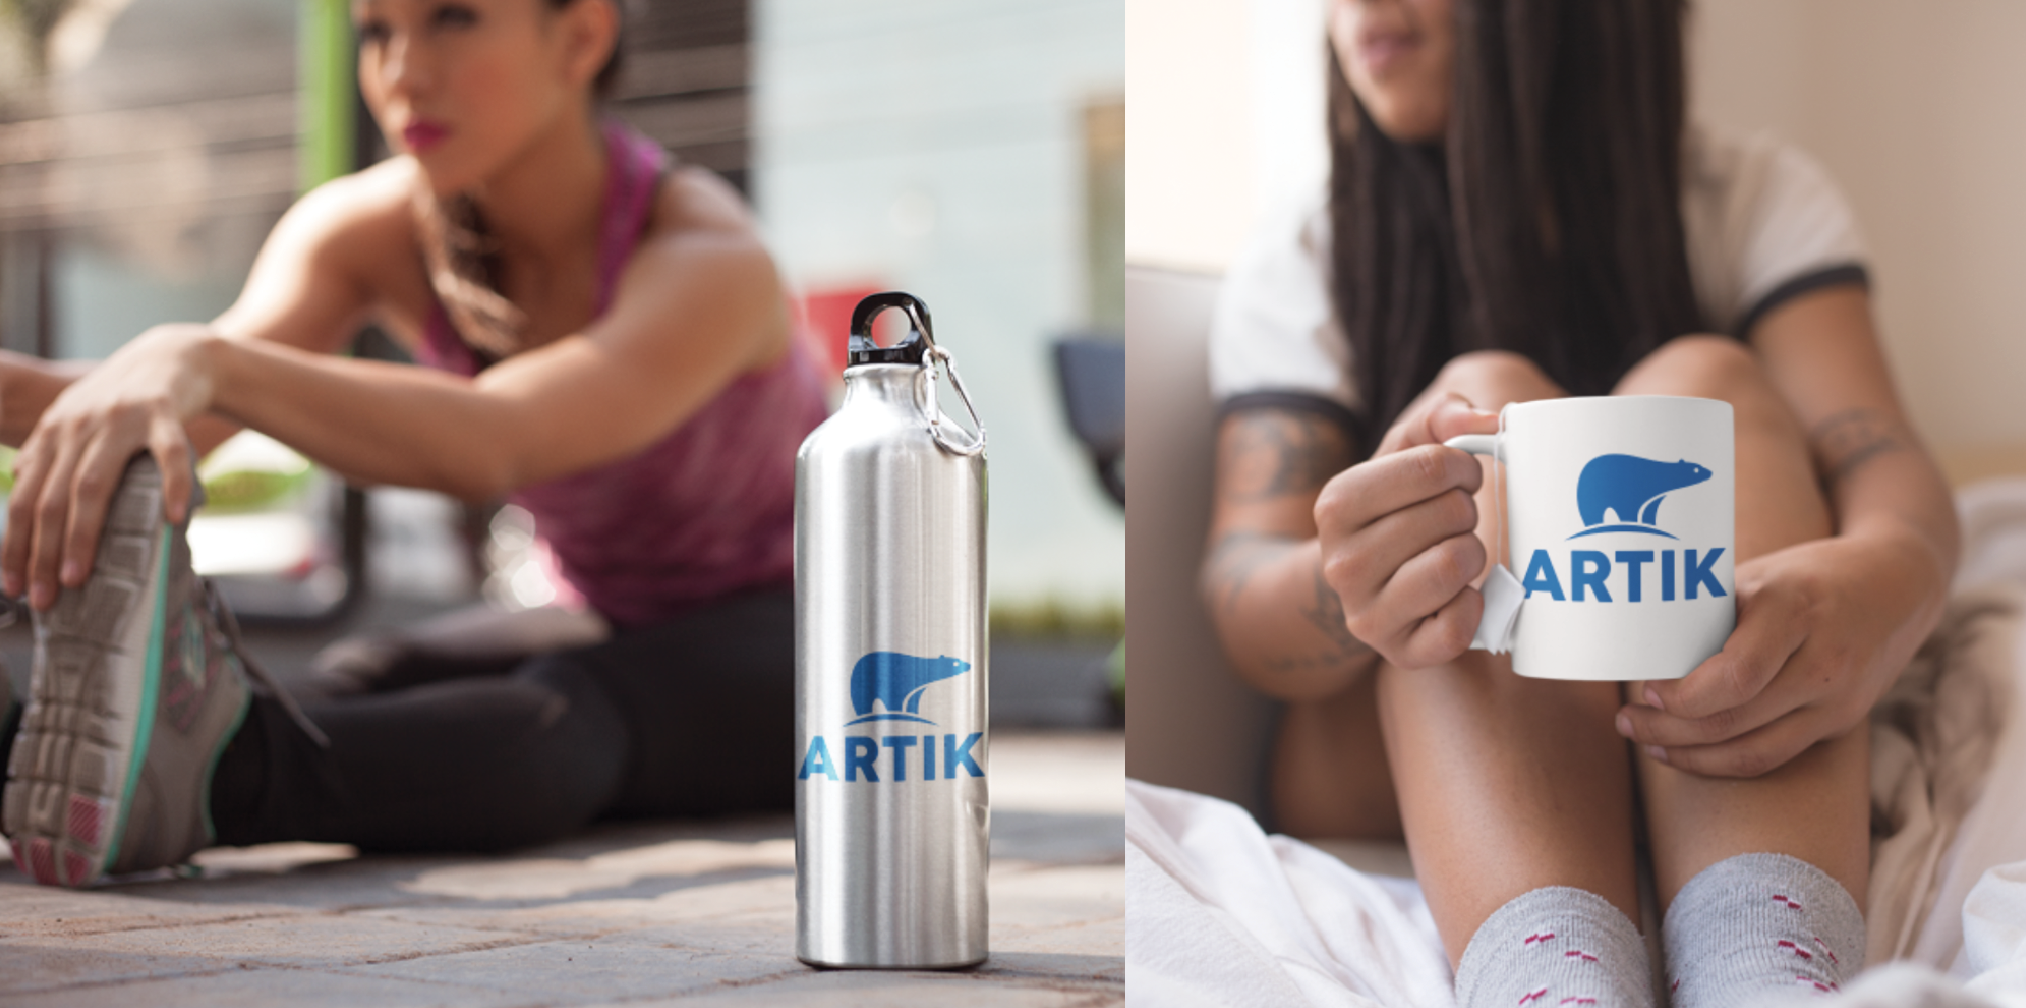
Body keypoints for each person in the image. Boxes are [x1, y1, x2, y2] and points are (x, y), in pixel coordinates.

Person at [1201, 0, 1957, 1005]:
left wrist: (1878, 583)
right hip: (1410, 750)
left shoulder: (1744, 197)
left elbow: (1885, 469)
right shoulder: (1308, 252)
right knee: (1484, 393)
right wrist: (1359, 578)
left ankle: (1761, 972)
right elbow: (1238, 585)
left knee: (1704, 379)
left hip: (1723, 713)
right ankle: (1558, 979)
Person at [0, 0, 827, 887]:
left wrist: (201, 360)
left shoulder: (710, 258)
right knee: (366, 673)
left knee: (563, 722)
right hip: (603, 611)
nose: (403, 72)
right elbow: (180, 410)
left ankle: (220, 782)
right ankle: (35, 763)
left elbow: (498, 439)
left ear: (582, 35)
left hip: (802, 631)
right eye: (378, 32)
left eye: (453, 19)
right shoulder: (368, 231)